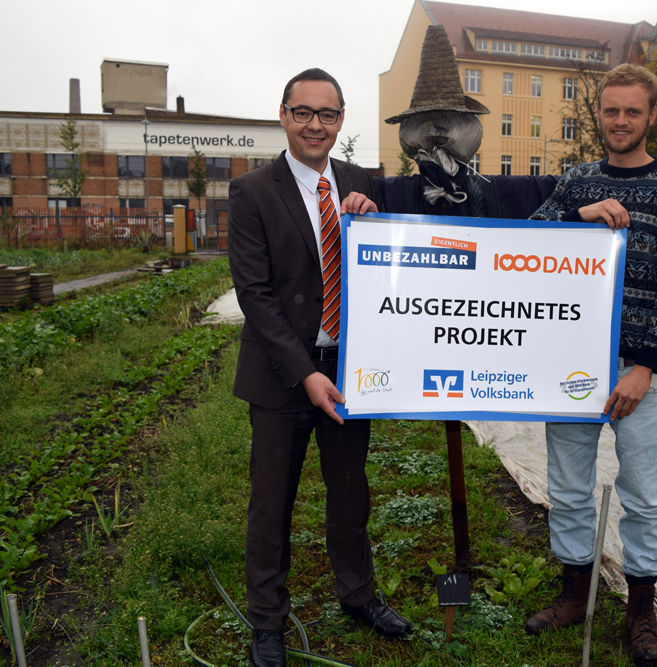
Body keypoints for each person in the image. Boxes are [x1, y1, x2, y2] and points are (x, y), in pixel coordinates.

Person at [228, 68, 411, 667]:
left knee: (351, 493)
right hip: (283, 376)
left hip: (352, 369)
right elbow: (254, 296)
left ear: (340, 122)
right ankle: (267, 622)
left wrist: (375, 218)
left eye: (327, 114)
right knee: (272, 500)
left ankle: (357, 595)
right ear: (283, 115)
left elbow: (395, 265)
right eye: (303, 112)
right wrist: (305, 373)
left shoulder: (363, 183)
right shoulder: (254, 191)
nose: (315, 124)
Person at [524, 64, 657, 666]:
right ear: (597, 114)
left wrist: (646, 365)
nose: (620, 121)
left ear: (652, 115)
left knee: (644, 495)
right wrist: (576, 217)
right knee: (569, 488)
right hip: (571, 367)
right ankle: (576, 592)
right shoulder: (577, 181)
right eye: (610, 110)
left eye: (633, 111)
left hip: (640, 374)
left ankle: (640, 613)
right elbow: (522, 244)